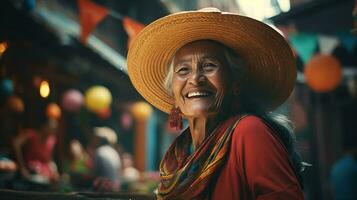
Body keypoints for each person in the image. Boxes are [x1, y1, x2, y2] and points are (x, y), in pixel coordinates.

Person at [127, 7, 304, 199]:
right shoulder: (179, 153)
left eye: (209, 66)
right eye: (183, 70)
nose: (195, 78)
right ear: (173, 90)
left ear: (235, 83)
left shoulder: (249, 131)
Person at [13, 119, 59, 184]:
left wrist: (55, 172)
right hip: (32, 169)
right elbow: (16, 143)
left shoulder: (51, 141)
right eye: (49, 129)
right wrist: (22, 167)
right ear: (44, 127)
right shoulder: (31, 135)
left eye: (53, 131)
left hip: (45, 173)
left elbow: (49, 159)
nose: (50, 133)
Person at [90, 127, 121, 191]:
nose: (93, 140)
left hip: (104, 188)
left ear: (100, 140)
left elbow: (95, 173)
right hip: (114, 188)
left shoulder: (99, 151)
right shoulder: (114, 152)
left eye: (95, 139)